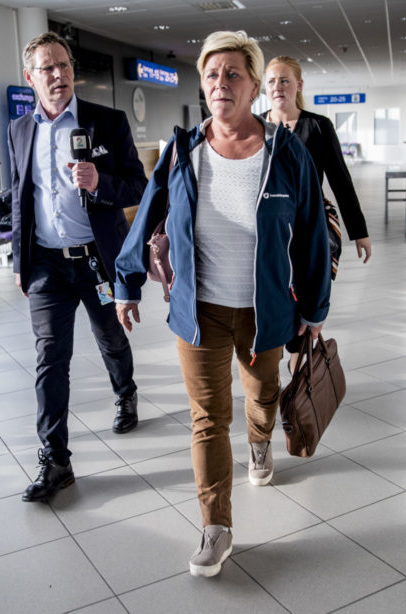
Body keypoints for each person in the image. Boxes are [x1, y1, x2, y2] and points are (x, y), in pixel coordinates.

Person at [114, 31, 331, 578]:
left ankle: (260, 442)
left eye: (233, 74)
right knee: (208, 418)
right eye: (211, 74)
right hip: (199, 310)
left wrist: (314, 310)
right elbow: (149, 214)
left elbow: (311, 235)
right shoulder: (183, 150)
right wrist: (126, 281)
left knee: (262, 396)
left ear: (254, 85)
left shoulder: (287, 153)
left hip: (266, 311)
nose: (220, 84)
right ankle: (217, 526)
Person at [6, 32, 146, 503]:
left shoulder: (106, 121)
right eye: (47, 68)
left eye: (64, 65)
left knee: (110, 334)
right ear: (30, 78)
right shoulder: (20, 130)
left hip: (97, 262)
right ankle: (56, 461)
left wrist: (100, 181)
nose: (58, 74)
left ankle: (125, 392)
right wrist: (20, 262)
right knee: (50, 359)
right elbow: (20, 198)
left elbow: (137, 186)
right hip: (46, 267)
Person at [264, 56, 371, 264]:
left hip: (309, 221)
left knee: (310, 281)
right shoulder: (255, 127)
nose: (277, 87)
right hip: (268, 223)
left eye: (284, 80)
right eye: (271, 81)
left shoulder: (318, 126)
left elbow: (340, 181)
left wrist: (359, 231)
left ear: (299, 85)